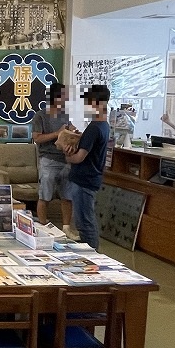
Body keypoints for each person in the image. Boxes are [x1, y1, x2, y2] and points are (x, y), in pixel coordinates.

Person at [61, 85, 111, 251]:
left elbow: (79, 157)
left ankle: (93, 255)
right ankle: (92, 252)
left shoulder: (94, 127)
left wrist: (67, 154)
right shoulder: (104, 125)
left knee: (84, 222)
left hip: (83, 180)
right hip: (91, 178)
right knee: (86, 219)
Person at [31, 82, 75, 230]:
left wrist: (72, 133)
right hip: (48, 160)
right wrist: (57, 133)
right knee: (45, 195)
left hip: (66, 159)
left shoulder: (65, 115)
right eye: (63, 96)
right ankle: (43, 226)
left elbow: (67, 133)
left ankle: (66, 228)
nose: (65, 99)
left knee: (67, 196)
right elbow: (37, 139)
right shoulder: (40, 116)